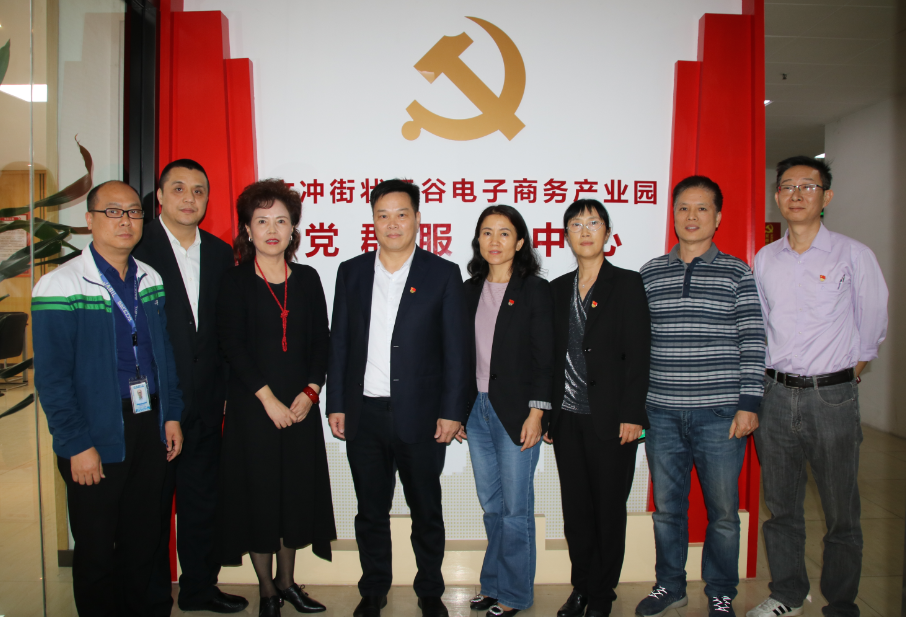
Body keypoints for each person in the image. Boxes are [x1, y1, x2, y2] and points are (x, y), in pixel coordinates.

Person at [32, 180, 185, 616]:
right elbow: (52, 379)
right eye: (112, 212)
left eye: (133, 212)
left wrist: (171, 414)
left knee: (143, 538)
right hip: (95, 429)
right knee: (97, 546)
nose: (125, 221)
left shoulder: (150, 279)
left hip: (148, 424)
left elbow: (163, 356)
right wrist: (76, 444)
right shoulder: (60, 285)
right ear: (90, 220)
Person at [748, 157, 888, 617]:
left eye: (807, 186)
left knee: (840, 509)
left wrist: (843, 376)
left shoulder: (853, 255)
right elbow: (761, 326)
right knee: (781, 507)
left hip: (832, 396)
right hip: (775, 394)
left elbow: (872, 327)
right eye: (787, 186)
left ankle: (841, 601)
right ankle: (787, 594)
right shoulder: (765, 259)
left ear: (826, 196)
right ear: (777, 196)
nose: (796, 194)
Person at [327, 179, 469, 617]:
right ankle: (373, 590)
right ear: (373, 221)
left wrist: (452, 411)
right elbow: (340, 342)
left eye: (401, 214)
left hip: (423, 417)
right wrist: (336, 403)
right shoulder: (351, 272)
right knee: (370, 511)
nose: (392, 223)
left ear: (417, 219)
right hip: (364, 413)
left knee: (426, 510)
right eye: (383, 215)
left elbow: (457, 350)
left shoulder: (442, 273)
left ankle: (430, 590)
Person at [635, 177, 765, 617]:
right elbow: (636, 344)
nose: (691, 217)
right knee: (667, 509)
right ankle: (670, 585)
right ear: (673, 215)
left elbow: (753, 339)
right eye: (683, 208)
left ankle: (721, 590)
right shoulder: (650, 273)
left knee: (723, 513)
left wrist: (749, 404)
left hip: (720, 415)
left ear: (718, 216)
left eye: (702, 208)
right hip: (662, 413)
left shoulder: (737, 272)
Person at [216, 179, 336, 617]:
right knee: (260, 498)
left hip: (301, 409)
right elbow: (232, 345)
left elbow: (322, 341)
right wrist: (268, 400)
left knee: (294, 498)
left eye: (281, 221)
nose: (272, 229)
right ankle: (267, 589)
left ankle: (288, 583)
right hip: (253, 411)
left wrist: (311, 391)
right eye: (262, 220)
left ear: (293, 229)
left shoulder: (308, 278)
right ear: (247, 229)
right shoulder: (234, 281)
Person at [134, 159, 246, 615]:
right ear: (160, 196)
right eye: (178, 188)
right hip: (155, 405)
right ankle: (153, 597)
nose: (189, 198)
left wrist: (226, 395)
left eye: (199, 190)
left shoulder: (220, 254)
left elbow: (224, 331)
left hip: (206, 401)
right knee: (153, 507)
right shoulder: (137, 247)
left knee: (202, 503)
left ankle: (200, 588)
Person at [547, 199, 650, 617]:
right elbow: (549, 358)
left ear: (607, 233)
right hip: (567, 420)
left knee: (608, 511)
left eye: (593, 223)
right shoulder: (556, 289)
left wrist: (633, 414)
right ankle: (582, 588)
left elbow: (639, 354)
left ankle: (603, 594)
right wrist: (548, 414)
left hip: (612, 421)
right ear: (566, 236)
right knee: (576, 512)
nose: (585, 230)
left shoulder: (626, 283)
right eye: (576, 224)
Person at [458, 205, 553, 617]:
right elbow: (457, 357)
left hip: (517, 412)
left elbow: (545, 357)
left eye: (504, 233)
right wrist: (457, 410)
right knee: (492, 505)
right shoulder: (467, 291)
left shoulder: (534, 290)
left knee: (515, 508)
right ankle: (493, 584)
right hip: (476, 411)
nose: (494, 241)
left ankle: (514, 594)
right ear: (478, 240)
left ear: (519, 242)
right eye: (486, 232)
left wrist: (538, 413)